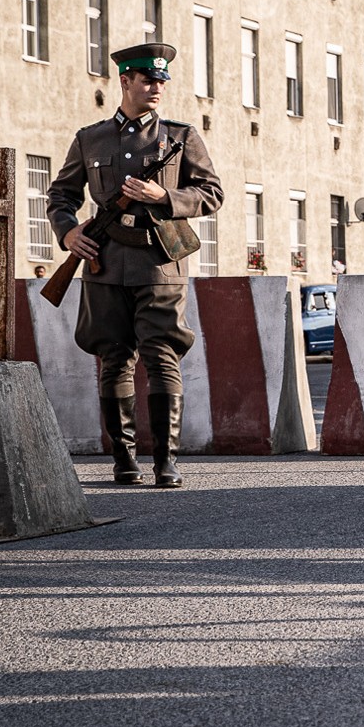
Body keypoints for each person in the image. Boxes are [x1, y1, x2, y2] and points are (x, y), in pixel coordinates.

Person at [48, 43, 223, 488]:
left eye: (161, 80)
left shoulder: (180, 138)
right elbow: (61, 195)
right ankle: (124, 461)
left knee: (162, 356)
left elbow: (212, 194)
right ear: (124, 81)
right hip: (104, 263)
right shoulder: (91, 138)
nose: (156, 87)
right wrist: (68, 232)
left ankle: (166, 462)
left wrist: (164, 197)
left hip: (159, 262)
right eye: (147, 80)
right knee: (113, 359)